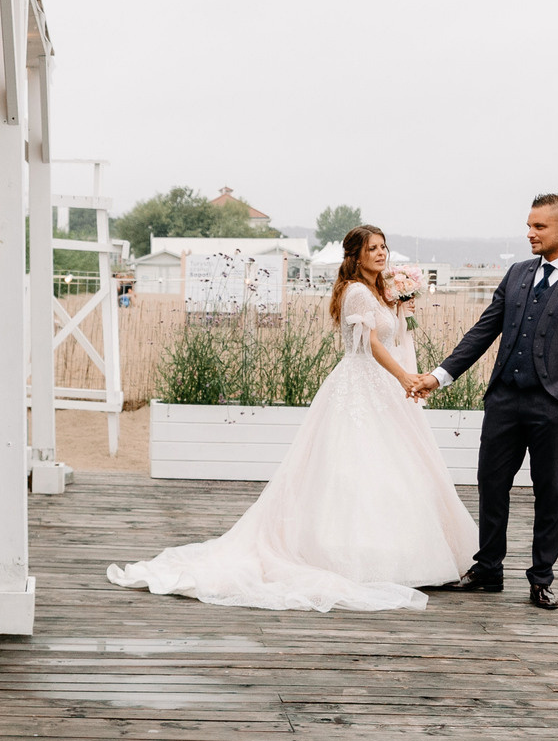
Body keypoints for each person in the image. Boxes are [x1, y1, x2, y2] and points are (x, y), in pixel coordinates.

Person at [109, 226, 476, 610]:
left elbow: (394, 338)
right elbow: (367, 344)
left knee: (394, 468)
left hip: (381, 388)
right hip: (359, 385)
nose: (382, 253)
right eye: (373, 248)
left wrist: (402, 310)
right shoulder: (354, 292)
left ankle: (399, 552)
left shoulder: (381, 292)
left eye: (384, 247)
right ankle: (347, 555)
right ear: (356, 255)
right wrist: (403, 377)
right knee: (354, 468)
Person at [417, 193, 558, 610]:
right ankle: (488, 569)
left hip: (553, 407)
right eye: (529, 225)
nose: (530, 234)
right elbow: (482, 332)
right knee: (491, 487)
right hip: (504, 401)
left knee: (550, 494)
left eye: (539, 226)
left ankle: (541, 578)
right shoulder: (517, 274)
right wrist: (439, 376)